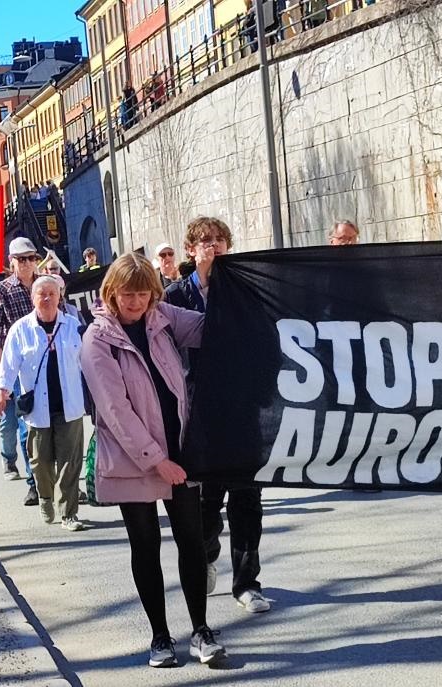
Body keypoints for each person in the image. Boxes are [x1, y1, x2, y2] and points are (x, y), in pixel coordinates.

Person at [82, 252, 225, 668]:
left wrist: (224, 288)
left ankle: (200, 629)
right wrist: (156, 460)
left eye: (143, 293)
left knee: (191, 540)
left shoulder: (161, 316)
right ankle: (160, 636)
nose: (136, 302)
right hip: (133, 457)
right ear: (112, 292)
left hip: (178, 447)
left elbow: (208, 328)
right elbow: (115, 410)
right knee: (145, 545)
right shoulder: (98, 339)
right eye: (128, 294)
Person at [165, 217, 270, 613]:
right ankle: (208, 554)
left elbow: (265, 342)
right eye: (205, 240)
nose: (214, 245)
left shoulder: (245, 292)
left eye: (220, 239)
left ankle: (247, 583)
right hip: (199, 414)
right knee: (206, 503)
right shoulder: (176, 295)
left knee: (247, 499)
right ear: (191, 249)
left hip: (242, 410)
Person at [0, 276, 87, 532]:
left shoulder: (73, 325)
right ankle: (45, 496)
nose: (47, 298)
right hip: (38, 410)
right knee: (40, 462)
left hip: (69, 406)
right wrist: (1, 393)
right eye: (41, 294)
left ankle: (68, 513)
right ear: (32, 298)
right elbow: (8, 366)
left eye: (51, 294)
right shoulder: (21, 329)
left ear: (59, 297)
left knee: (70, 462)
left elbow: (89, 361)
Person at [0, 237, 40, 505]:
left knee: (57, 425)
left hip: (48, 363)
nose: (28, 263)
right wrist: (2, 381)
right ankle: (34, 483)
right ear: (12, 261)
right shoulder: (2, 290)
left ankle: (60, 482)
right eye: (22, 259)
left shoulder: (46, 284)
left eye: (32, 258)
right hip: (19, 369)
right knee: (25, 427)